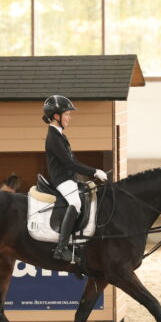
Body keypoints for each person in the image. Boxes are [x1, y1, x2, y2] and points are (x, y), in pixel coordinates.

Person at [42, 95, 107, 263]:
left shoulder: (60, 135)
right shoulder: (53, 137)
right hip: (61, 179)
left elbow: (73, 161)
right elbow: (69, 163)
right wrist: (94, 171)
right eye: (67, 114)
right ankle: (60, 249)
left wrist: (92, 173)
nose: (69, 118)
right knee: (75, 202)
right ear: (56, 116)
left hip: (69, 178)